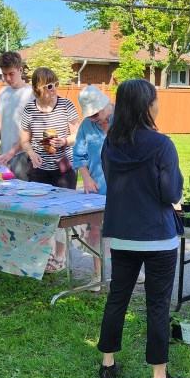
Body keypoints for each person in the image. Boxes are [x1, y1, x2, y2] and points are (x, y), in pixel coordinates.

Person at [96, 79, 188, 378]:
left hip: (122, 235)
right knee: (157, 307)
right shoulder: (163, 145)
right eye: (156, 101)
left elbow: (111, 180)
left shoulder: (110, 143)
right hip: (158, 237)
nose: (158, 105)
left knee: (117, 298)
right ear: (147, 106)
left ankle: (107, 364)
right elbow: (171, 193)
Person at [21, 67, 81, 272]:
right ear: (38, 89)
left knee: (62, 213)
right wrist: (32, 154)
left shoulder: (66, 105)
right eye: (49, 85)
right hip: (39, 168)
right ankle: (45, 253)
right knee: (40, 213)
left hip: (63, 168)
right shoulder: (29, 109)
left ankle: (60, 257)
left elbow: (77, 136)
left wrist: (64, 140)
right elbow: (24, 141)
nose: (54, 88)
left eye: (56, 84)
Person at [73, 85, 115, 283]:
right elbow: (79, 155)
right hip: (97, 186)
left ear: (105, 105)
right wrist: (87, 178)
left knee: (124, 231)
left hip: (123, 188)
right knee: (96, 231)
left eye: (95, 114)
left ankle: (130, 272)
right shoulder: (86, 125)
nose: (92, 118)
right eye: (89, 115)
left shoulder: (123, 119)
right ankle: (97, 275)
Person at [0, 51, 34, 180]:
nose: (8, 78)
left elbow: (32, 130)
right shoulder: (2, 92)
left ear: (20, 70)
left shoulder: (32, 94)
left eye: (11, 74)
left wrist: (12, 152)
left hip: (22, 155)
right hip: (3, 154)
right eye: (4, 74)